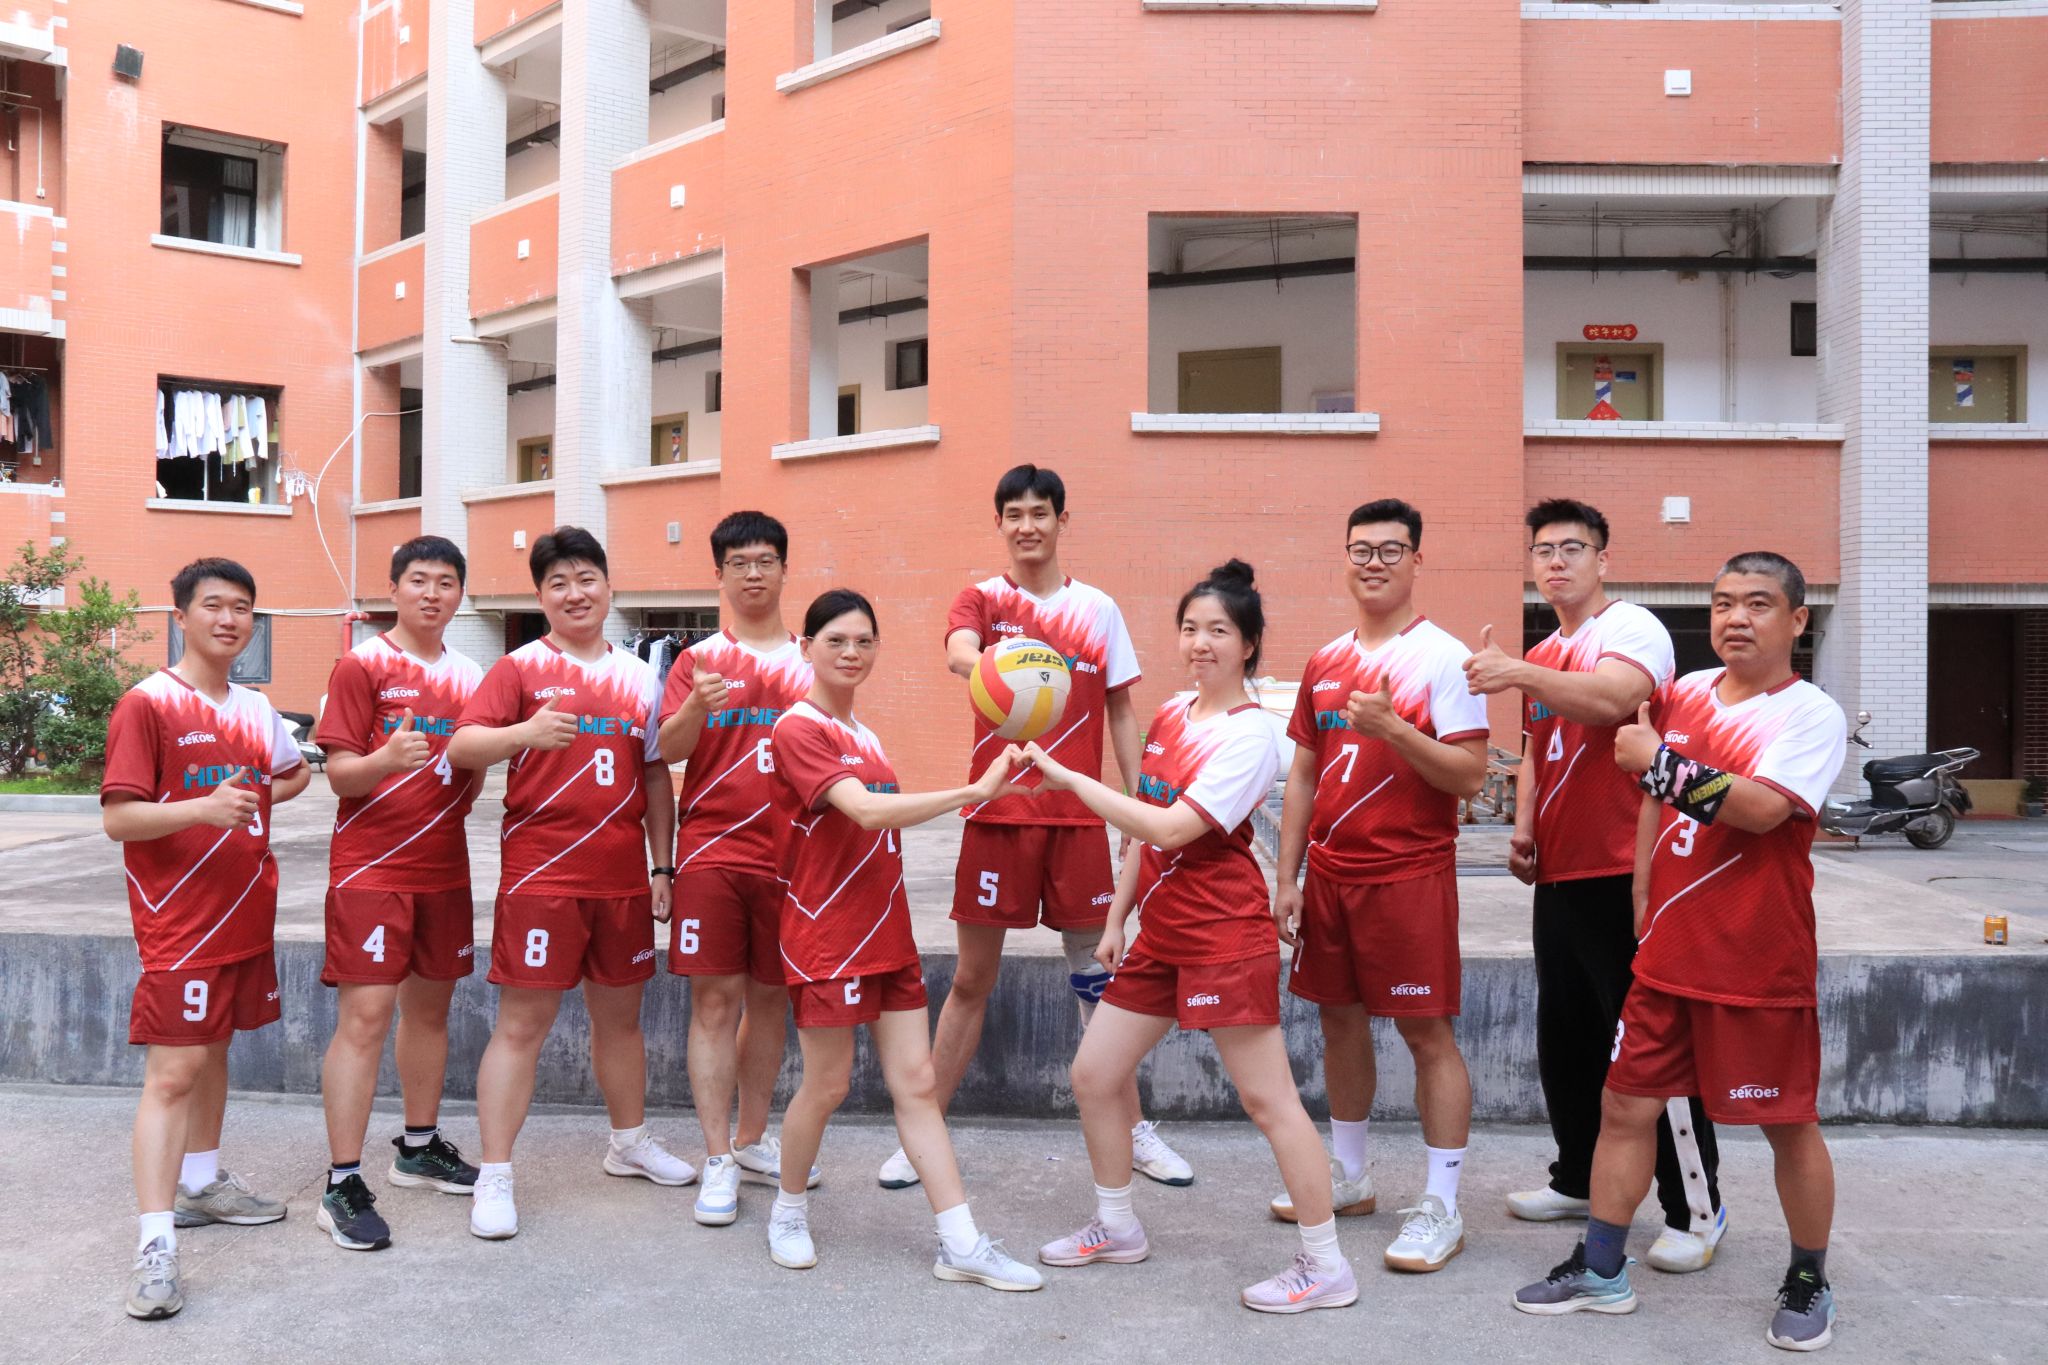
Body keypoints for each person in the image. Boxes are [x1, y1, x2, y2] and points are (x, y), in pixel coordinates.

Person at [1513, 552, 1847, 1354]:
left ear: (1797, 620)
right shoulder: (1685, 692)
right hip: (1666, 953)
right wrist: (1640, 893)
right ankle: (1602, 1268)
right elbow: (1649, 802)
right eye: (1723, 603)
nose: (1737, 618)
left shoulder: (1810, 714)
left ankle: (1809, 1277)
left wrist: (1660, 762)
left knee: (1787, 1123)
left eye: (1758, 603)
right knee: (1625, 1107)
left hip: (1756, 957)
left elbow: (1762, 809)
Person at [1032, 561, 1357, 1314]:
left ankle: (1326, 1264)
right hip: (1162, 932)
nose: (1200, 642)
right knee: (1095, 1074)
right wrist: (1116, 920)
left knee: (1269, 1100)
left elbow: (1174, 827)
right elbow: (1142, 833)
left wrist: (1073, 781)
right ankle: (1117, 1225)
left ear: (1249, 645)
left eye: (1219, 630)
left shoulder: (1251, 736)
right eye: (1190, 628)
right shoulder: (1173, 713)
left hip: (1223, 932)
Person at [883, 464, 1192, 1191]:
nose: (1028, 526)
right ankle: (924, 1127)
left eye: (1040, 513)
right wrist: (1000, 664)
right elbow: (958, 652)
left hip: (1079, 816)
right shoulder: (984, 600)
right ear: (1000, 522)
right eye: (1015, 514)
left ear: (1061, 520)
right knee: (971, 979)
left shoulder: (1098, 609)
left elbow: (1121, 710)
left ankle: (1134, 1130)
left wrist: (1138, 807)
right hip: (999, 815)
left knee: (1097, 980)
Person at [1462, 498, 1723, 1269]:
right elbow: (1537, 746)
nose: (1557, 561)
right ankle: (1578, 1175)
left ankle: (1696, 1209)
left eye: (1572, 548)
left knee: (1648, 1047)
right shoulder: (1547, 648)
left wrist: (1515, 670)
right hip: (1562, 872)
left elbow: (1611, 700)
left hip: (1626, 872)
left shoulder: (1629, 628)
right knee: (1568, 1039)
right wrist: (1525, 827)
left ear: (1602, 559)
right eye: (1544, 549)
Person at [763, 588, 1043, 1290]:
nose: (852, 652)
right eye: (836, 640)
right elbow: (862, 811)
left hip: (886, 933)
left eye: (864, 641)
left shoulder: (864, 733)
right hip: (826, 935)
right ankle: (788, 1211)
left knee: (918, 1085)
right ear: (806, 647)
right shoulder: (798, 728)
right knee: (826, 1084)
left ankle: (961, 1242)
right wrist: (973, 793)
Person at [448, 526, 691, 1240]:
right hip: (542, 876)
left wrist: (661, 866)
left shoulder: (641, 676)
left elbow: (655, 776)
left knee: (621, 1021)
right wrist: (523, 734)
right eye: (559, 583)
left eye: (587, 579)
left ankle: (628, 1142)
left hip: (620, 879)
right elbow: (462, 746)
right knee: (522, 1025)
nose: (575, 593)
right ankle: (495, 1173)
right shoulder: (519, 668)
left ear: (609, 587)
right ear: (541, 596)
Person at [1270, 499, 1489, 1274]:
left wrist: (1395, 728)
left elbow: (1471, 774)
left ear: (1416, 560)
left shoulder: (1442, 658)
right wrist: (1287, 875)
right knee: (1338, 1022)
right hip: (1330, 875)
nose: (1374, 562)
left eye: (1391, 550)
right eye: (1361, 549)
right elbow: (1304, 773)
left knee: (1427, 1034)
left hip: (1409, 873)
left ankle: (1442, 1203)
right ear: (1346, 557)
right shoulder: (1326, 660)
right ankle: (1351, 1175)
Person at [101, 558, 313, 1318]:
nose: (229, 619)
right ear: (181, 616)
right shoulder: (148, 704)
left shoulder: (255, 708)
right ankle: (155, 1246)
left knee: (215, 1049)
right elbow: (119, 818)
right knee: (173, 1074)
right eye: (214, 605)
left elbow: (293, 773)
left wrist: (257, 795)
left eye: (242, 608)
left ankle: (201, 1182)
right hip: (179, 923)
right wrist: (200, 810)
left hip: (246, 911)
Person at [311, 536, 486, 1251]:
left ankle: (417, 1146)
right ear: (393, 588)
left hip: (443, 869)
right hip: (371, 871)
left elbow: (472, 775)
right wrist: (385, 759)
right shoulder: (363, 665)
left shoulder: (472, 675)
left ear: (460, 594)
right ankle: (341, 1181)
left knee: (431, 1011)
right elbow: (339, 775)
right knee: (366, 1016)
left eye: (446, 582)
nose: (432, 593)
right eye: (418, 580)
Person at [656, 511, 819, 1226]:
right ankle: (717, 1156)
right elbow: (667, 749)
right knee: (716, 1004)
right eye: (739, 563)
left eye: (765, 561)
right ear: (718, 574)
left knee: (771, 1001)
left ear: (784, 568)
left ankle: (752, 1141)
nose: (753, 574)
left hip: (792, 856)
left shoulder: (812, 660)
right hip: (713, 853)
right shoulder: (698, 660)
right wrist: (696, 703)